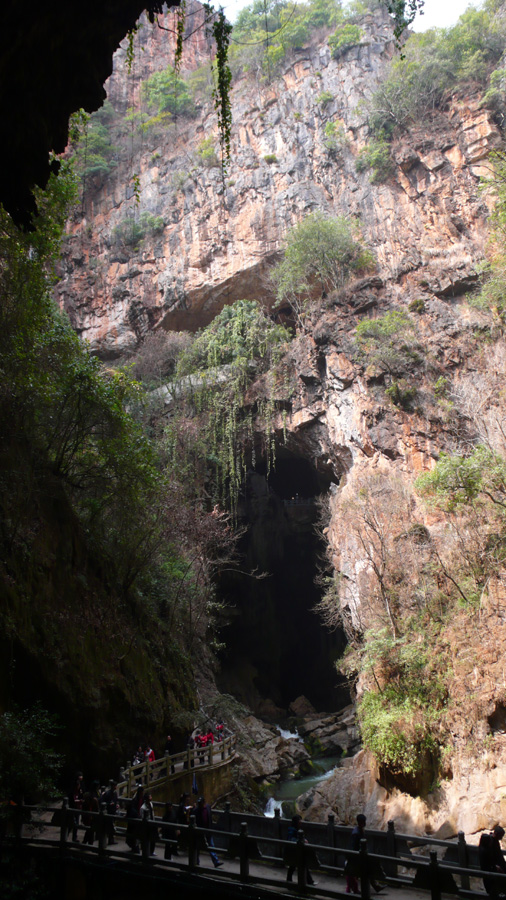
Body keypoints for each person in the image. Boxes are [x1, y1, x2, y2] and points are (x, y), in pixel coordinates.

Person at [346, 814, 385, 894]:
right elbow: (354, 848)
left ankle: (376, 886)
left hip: (360, 857)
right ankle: (374, 887)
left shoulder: (359, 830)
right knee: (367, 869)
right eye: (363, 821)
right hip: (357, 858)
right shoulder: (356, 833)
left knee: (368, 868)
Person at [285, 814, 316, 886]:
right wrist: (300, 841)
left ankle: (289, 880)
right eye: (299, 821)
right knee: (301, 864)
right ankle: (309, 882)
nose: (301, 822)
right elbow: (291, 840)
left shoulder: (294, 829)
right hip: (294, 852)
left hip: (294, 852)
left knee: (293, 866)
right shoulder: (292, 830)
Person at [195, 796, 222, 868]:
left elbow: (209, 818)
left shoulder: (208, 807)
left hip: (208, 830)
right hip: (200, 831)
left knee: (211, 845)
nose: (200, 805)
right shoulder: (197, 810)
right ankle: (196, 861)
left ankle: (216, 862)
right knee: (197, 847)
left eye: (201, 803)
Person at [480, 826, 506, 897]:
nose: (501, 837)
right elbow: (488, 858)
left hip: (494, 867)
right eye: (501, 835)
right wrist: (496, 866)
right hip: (491, 869)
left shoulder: (492, 841)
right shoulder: (488, 843)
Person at [126, 784, 144, 854]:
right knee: (134, 835)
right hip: (135, 819)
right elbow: (132, 810)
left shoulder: (142, 799)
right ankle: (135, 847)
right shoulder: (135, 800)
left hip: (139, 818)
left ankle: (136, 846)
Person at [81, 780, 100, 845]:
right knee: (91, 829)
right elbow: (96, 806)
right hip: (92, 814)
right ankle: (89, 843)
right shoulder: (93, 796)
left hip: (88, 814)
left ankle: (85, 841)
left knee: (90, 829)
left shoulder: (88, 794)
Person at [67, 772, 84, 842]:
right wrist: (79, 801)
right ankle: (66, 836)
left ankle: (74, 837)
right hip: (73, 807)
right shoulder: (73, 790)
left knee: (76, 823)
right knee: (72, 823)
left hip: (77, 807)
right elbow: (73, 800)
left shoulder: (79, 790)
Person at [141, 792, 158, 856]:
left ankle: (152, 851)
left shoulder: (151, 804)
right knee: (147, 839)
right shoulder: (143, 808)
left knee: (153, 839)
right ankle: (147, 852)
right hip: (147, 825)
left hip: (152, 823)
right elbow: (142, 817)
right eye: (150, 797)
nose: (151, 798)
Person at [102, 779, 119, 845]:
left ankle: (111, 839)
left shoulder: (115, 793)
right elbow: (104, 802)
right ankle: (109, 840)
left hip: (113, 810)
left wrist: (117, 804)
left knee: (112, 825)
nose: (115, 787)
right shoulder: (108, 793)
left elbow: (116, 800)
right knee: (110, 826)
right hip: (109, 811)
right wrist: (109, 804)